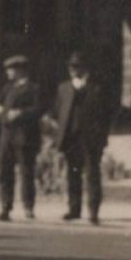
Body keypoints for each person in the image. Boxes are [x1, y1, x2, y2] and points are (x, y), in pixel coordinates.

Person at [53, 52, 111, 226]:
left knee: (92, 173)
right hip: (71, 137)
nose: (73, 70)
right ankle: (74, 209)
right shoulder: (64, 88)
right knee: (73, 173)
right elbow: (58, 111)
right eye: (71, 67)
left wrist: (102, 136)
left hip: (90, 138)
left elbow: (106, 115)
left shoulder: (96, 88)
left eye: (77, 67)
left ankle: (93, 211)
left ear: (85, 69)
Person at [0, 54, 42, 222]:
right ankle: (5, 207)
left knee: (26, 172)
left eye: (11, 69)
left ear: (20, 70)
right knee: (5, 171)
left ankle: (28, 207)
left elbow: (38, 109)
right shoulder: (8, 88)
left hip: (24, 136)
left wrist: (21, 113)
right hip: (7, 136)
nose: (8, 73)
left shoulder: (33, 88)